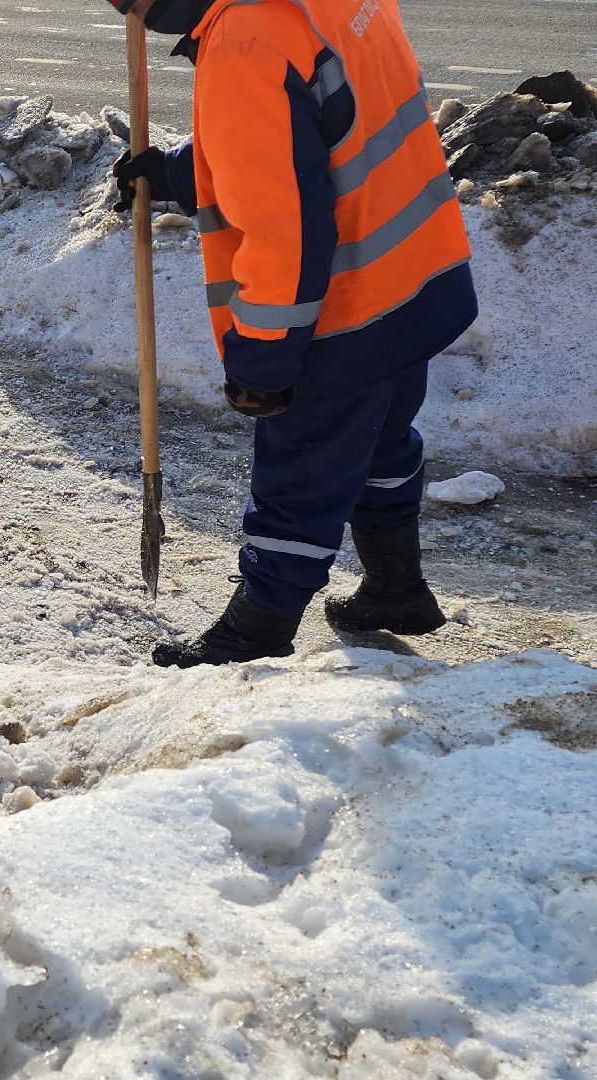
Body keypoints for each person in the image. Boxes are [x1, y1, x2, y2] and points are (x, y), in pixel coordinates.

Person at [110, 0, 478, 667]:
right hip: (413, 275)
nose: (130, 14)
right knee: (379, 442)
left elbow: (286, 231)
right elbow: (311, 131)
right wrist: (180, 172)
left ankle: (258, 630)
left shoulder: (245, 43)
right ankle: (396, 586)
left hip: (346, 310)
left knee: (300, 471)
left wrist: (264, 358)